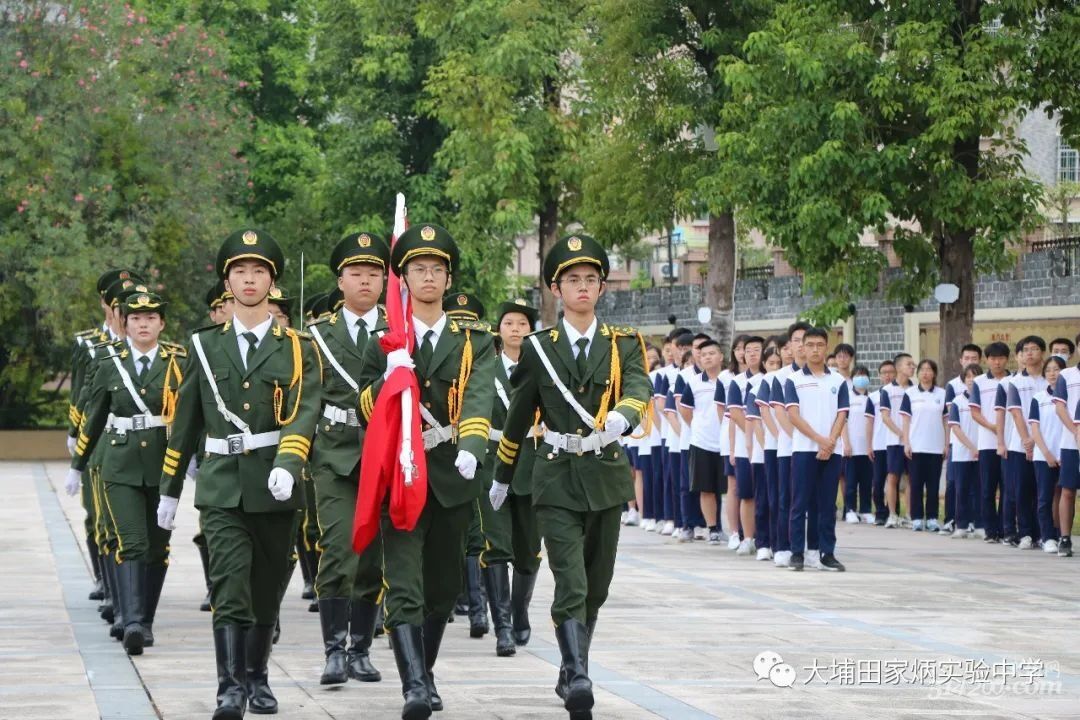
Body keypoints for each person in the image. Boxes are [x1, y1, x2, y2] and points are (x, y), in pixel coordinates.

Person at [156, 228, 322, 719]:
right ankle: (229, 688)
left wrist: (289, 464)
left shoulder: (297, 347)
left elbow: (304, 409)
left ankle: (257, 676)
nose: (249, 280)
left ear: (272, 282)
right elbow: (185, 420)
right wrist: (169, 491)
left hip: (276, 484)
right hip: (223, 485)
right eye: (240, 272)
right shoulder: (203, 346)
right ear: (227, 282)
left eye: (259, 272)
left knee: (267, 591)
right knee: (229, 586)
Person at [493, 233, 652, 720]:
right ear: (556, 290)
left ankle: (570, 666)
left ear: (602, 288)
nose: (581, 288)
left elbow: (640, 385)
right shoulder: (539, 348)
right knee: (572, 582)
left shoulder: (623, 343)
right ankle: (579, 675)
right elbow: (520, 415)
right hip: (555, 476)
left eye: (590, 280)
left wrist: (625, 414)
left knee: (598, 583)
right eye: (571, 280)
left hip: (604, 475)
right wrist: (503, 474)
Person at [356, 223, 496, 719]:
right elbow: (362, 405)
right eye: (419, 269)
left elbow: (480, 394)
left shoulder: (473, 339)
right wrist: (393, 375)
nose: (429, 276)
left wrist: (473, 443)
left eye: (437, 269)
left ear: (448, 277)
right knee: (406, 587)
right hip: (403, 474)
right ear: (405, 278)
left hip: (453, 473)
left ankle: (426, 671)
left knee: (442, 590)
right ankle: (414, 685)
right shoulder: (385, 336)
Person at [66, 288, 183, 655]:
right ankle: (131, 621)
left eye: (150, 318)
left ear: (161, 323)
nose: (143, 324)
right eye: (135, 319)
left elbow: (188, 417)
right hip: (120, 467)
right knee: (131, 542)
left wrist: (193, 458)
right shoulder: (109, 363)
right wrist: (77, 465)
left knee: (158, 547)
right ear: (126, 324)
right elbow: (94, 418)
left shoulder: (178, 363)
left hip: (163, 468)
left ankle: (145, 620)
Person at [306, 232, 391, 685]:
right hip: (336, 454)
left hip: (382, 454)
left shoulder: (397, 332)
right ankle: (333, 651)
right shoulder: (317, 336)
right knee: (339, 550)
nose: (364, 280)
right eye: (355, 273)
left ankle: (361, 649)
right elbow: (306, 401)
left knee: (373, 557)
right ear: (340, 281)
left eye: (373, 273)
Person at [479, 299, 543, 656]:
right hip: (492, 464)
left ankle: (519, 612)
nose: (516, 329)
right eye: (509, 323)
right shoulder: (484, 370)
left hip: (533, 466)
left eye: (522, 323)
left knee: (530, 550)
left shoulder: (544, 369)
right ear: (498, 330)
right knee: (496, 545)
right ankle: (502, 625)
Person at [443, 293, 493, 640]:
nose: (462, 328)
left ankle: (479, 611)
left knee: (477, 535)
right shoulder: (439, 355)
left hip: (477, 455)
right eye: (456, 321)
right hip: (440, 451)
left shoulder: (482, 357)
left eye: (468, 323)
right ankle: (446, 601)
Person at [783, 327, 848, 572]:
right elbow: (793, 415)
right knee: (799, 503)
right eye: (809, 345)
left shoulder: (838, 381)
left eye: (820, 345)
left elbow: (843, 414)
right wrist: (820, 440)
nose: (815, 349)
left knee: (827, 505)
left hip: (832, 451)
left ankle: (826, 552)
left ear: (826, 346)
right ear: (803, 347)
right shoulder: (794, 380)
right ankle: (797, 553)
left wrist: (830, 442)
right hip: (804, 449)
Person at [767, 323, 811, 567]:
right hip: (788, 447)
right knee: (786, 499)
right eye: (797, 340)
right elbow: (780, 414)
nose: (802, 344)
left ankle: (811, 547)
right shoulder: (780, 378)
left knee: (812, 500)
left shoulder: (824, 376)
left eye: (807, 339)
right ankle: (783, 546)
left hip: (816, 448)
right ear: (790, 346)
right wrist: (798, 438)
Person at [1000, 336, 1047, 548]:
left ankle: (1043, 533)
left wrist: (1038, 442)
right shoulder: (1015, 382)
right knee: (1021, 490)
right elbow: (1016, 414)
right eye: (1026, 349)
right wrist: (1027, 441)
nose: (1029, 353)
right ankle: (1025, 532)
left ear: (1042, 353)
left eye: (1034, 349)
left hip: (1047, 446)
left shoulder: (1050, 380)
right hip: (1020, 445)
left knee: (1042, 490)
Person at [679, 339, 726, 544]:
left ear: (721, 356)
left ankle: (732, 531)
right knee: (706, 488)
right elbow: (686, 410)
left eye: (712, 353)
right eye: (704, 354)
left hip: (726, 442)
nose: (707, 357)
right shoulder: (695, 383)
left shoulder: (729, 380)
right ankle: (713, 528)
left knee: (726, 489)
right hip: (702, 442)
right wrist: (700, 428)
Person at [726, 336, 766, 556]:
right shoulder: (737, 382)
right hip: (746, 446)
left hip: (772, 446)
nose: (751, 354)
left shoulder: (771, 379)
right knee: (747, 493)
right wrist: (752, 437)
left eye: (757, 349)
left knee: (768, 494)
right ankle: (747, 537)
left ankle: (766, 538)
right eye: (747, 350)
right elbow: (735, 415)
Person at [970, 342, 1012, 543]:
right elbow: (975, 412)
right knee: (987, 489)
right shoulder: (979, 381)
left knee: (1007, 488)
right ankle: (990, 530)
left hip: (1011, 443)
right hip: (987, 443)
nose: (997, 361)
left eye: (1001, 357)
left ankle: (1005, 529)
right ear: (987, 360)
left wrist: (1003, 431)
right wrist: (993, 427)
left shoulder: (1014, 380)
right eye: (993, 358)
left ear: (1007, 359)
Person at [899, 360, 947, 531]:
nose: (926, 373)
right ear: (918, 373)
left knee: (933, 484)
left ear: (934, 373)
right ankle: (917, 517)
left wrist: (946, 444)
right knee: (916, 483)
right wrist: (906, 443)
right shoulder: (910, 393)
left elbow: (946, 421)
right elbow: (905, 421)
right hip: (916, 446)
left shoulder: (942, 394)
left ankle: (932, 517)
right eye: (922, 370)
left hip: (936, 446)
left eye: (929, 370)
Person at [942, 344, 983, 534]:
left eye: (974, 358)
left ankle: (978, 523)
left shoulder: (985, 393)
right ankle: (956, 522)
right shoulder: (955, 391)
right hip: (960, 448)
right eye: (967, 358)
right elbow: (954, 423)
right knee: (957, 486)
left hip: (982, 448)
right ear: (961, 360)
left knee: (979, 487)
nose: (970, 362)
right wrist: (967, 445)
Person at [751, 345, 785, 559]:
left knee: (783, 499)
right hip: (767, 447)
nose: (774, 367)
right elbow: (755, 419)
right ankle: (762, 541)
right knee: (766, 497)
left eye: (778, 363)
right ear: (764, 364)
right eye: (770, 363)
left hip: (786, 448)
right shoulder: (758, 384)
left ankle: (779, 542)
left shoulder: (789, 379)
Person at [1030, 356, 1067, 554]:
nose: (1052, 373)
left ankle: (1063, 535)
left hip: (1066, 454)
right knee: (1044, 497)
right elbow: (1035, 429)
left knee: (1064, 497)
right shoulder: (1039, 398)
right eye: (1049, 370)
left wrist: (1063, 453)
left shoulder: (1070, 396)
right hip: (1043, 455)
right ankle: (1047, 537)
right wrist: (1047, 453)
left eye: (1057, 369)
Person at [878, 353, 915, 527]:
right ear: (899, 367)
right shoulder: (887, 390)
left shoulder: (915, 389)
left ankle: (909, 515)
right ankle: (892, 514)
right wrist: (902, 433)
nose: (913, 367)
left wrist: (910, 436)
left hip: (913, 442)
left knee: (910, 478)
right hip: (894, 441)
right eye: (909, 364)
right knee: (892, 477)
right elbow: (885, 417)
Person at [1054, 347, 1080, 558]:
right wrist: (1076, 432)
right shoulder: (1066, 375)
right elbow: (1060, 408)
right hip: (1071, 442)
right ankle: (1064, 538)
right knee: (1068, 490)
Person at [842, 366, 875, 524]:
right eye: (858, 375)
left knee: (867, 481)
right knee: (851, 482)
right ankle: (850, 510)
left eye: (864, 375)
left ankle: (866, 510)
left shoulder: (873, 398)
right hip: (852, 447)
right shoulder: (847, 397)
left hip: (868, 448)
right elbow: (842, 422)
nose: (861, 378)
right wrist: (846, 443)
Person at [870, 360, 897, 525]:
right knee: (878, 480)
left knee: (894, 479)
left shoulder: (903, 392)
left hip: (895, 442)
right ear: (880, 376)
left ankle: (893, 511)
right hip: (879, 443)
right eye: (884, 372)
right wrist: (869, 445)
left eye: (891, 372)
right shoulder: (873, 397)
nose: (888, 375)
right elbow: (869, 422)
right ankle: (880, 512)